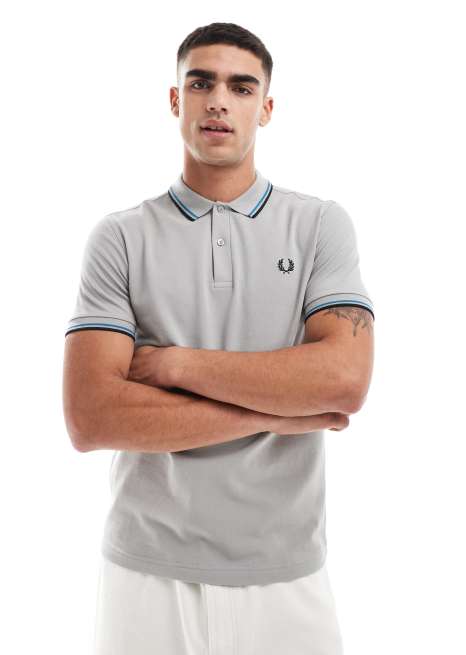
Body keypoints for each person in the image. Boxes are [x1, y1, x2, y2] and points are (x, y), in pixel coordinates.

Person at [62, 21, 375, 655]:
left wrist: (175, 365)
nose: (218, 102)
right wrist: (275, 413)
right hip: (145, 575)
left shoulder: (319, 226)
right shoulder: (120, 238)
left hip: (287, 573)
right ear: (175, 99)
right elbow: (91, 417)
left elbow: (343, 380)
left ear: (266, 107)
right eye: (201, 83)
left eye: (241, 87)